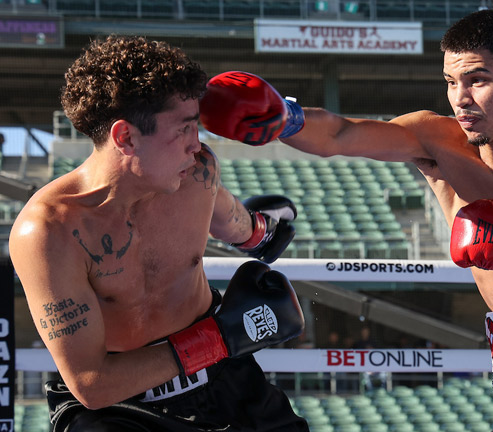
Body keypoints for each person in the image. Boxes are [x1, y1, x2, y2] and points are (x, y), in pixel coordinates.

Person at [198, 9, 493, 432]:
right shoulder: (437, 141)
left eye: (477, 80)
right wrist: (285, 117)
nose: (461, 99)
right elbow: (342, 132)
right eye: (450, 82)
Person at [9, 35, 309, 432]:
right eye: (184, 130)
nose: (196, 145)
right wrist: (220, 337)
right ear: (126, 138)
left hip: (224, 379)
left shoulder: (198, 173)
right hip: (119, 406)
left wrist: (261, 233)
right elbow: (91, 385)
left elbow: (236, 223)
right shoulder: (49, 231)